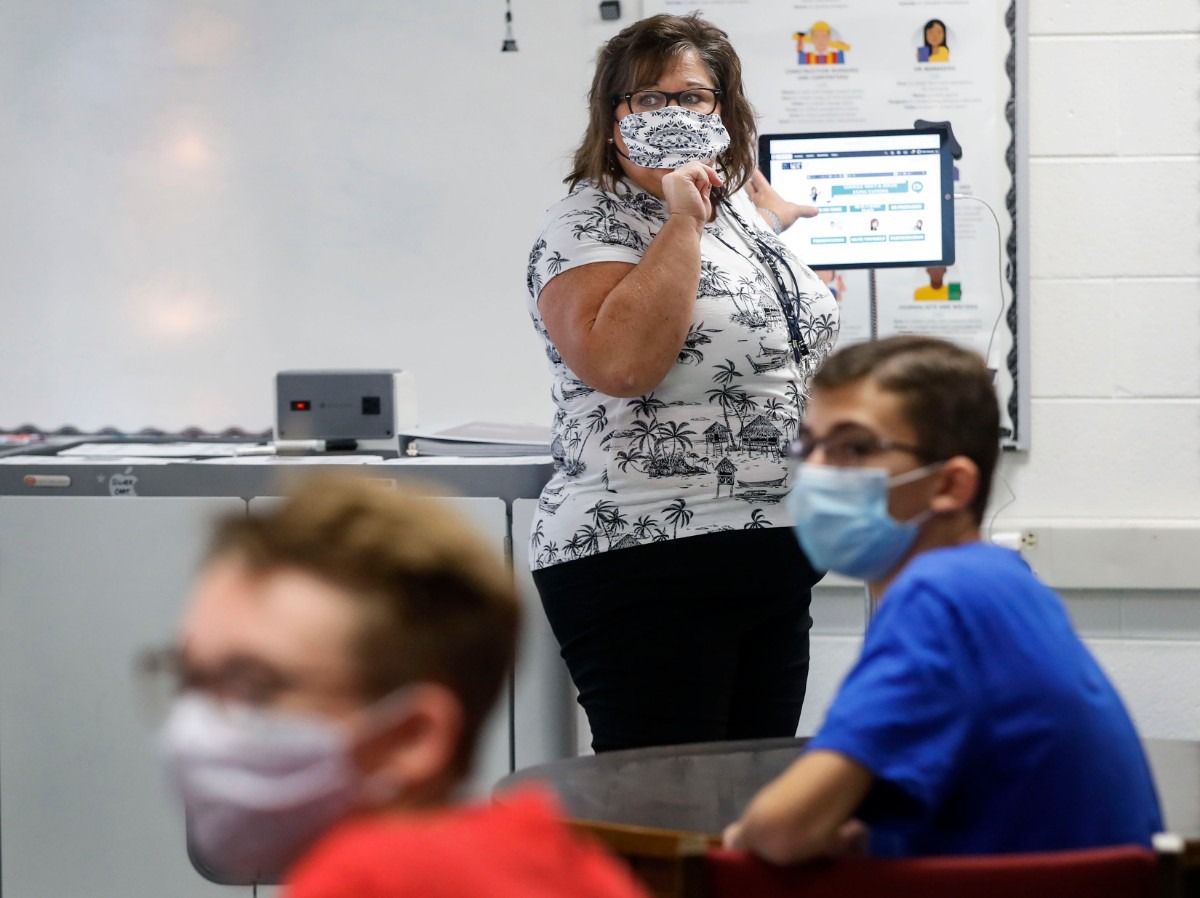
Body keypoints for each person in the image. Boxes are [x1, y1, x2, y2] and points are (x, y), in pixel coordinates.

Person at [525, 13, 840, 753]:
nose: (672, 113)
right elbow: (623, 364)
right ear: (613, 121)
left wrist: (768, 225)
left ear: (727, 114)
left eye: (693, 98)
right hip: (647, 559)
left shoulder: (737, 220)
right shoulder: (587, 224)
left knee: (749, 810)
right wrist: (682, 221)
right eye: (647, 99)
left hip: (773, 551)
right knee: (665, 815)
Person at [724, 336, 1163, 862]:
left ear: (950, 485)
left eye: (854, 448)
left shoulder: (939, 597)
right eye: (809, 445)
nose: (816, 472)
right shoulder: (1002, 582)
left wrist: (750, 832)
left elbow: (780, 831)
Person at [149, 474, 650, 898]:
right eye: (189, 677)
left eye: (252, 686)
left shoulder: (367, 877)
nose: (198, 724)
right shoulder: (561, 863)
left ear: (414, 736)